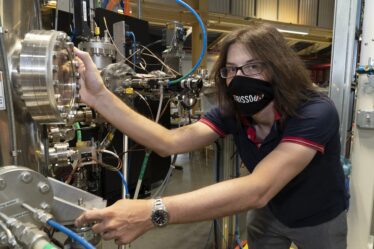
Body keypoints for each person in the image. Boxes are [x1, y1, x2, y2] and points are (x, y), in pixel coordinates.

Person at [74, 21, 348, 249]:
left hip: (318, 217)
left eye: (253, 66)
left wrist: (152, 211)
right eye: (231, 70)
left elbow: (258, 189)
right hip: (272, 211)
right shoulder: (235, 112)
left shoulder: (314, 111)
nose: (240, 78)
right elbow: (169, 142)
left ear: (279, 67)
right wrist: (100, 97)